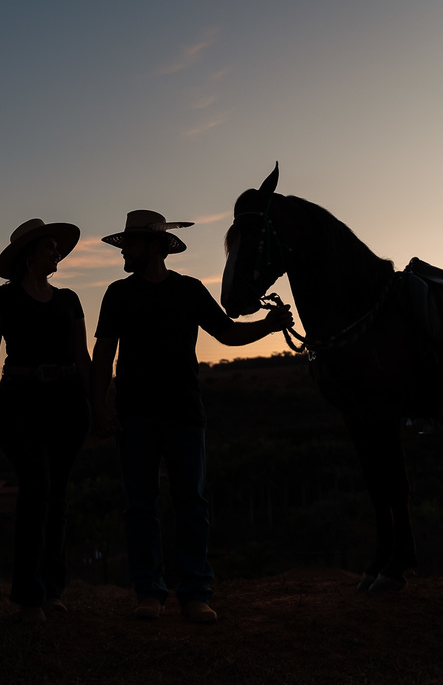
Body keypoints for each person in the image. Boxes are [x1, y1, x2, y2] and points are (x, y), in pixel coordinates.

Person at [90, 209, 294, 624]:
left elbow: (227, 333)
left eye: (130, 243)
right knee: (141, 506)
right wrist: (98, 407)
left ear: (154, 246)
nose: (124, 251)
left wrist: (269, 325)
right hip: (135, 416)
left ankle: (195, 593)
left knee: (191, 505)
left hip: (184, 413)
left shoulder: (189, 290)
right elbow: (103, 355)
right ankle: (150, 593)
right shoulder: (117, 294)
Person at [0, 218, 92, 625]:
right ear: (28, 255)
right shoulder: (1, 298)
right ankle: (30, 596)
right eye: (49, 247)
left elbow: (81, 356)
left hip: (67, 403)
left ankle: (53, 591)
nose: (56, 252)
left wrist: (100, 404)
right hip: (19, 402)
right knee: (36, 488)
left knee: (56, 495)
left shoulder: (69, 300)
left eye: (57, 248)